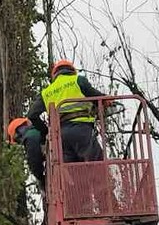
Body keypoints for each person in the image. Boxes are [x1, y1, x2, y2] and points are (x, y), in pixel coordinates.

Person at [7, 59, 107, 189]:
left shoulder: (47, 92)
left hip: (61, 137)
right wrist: (105, 101)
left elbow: (32, 114)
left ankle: (79, 205)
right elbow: (96, 96)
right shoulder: (78, 80)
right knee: (97, 167)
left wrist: (46, 132)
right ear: (72, 71)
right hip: (82, 131)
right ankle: (108, 204)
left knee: (73, 177)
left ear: (55, 75)